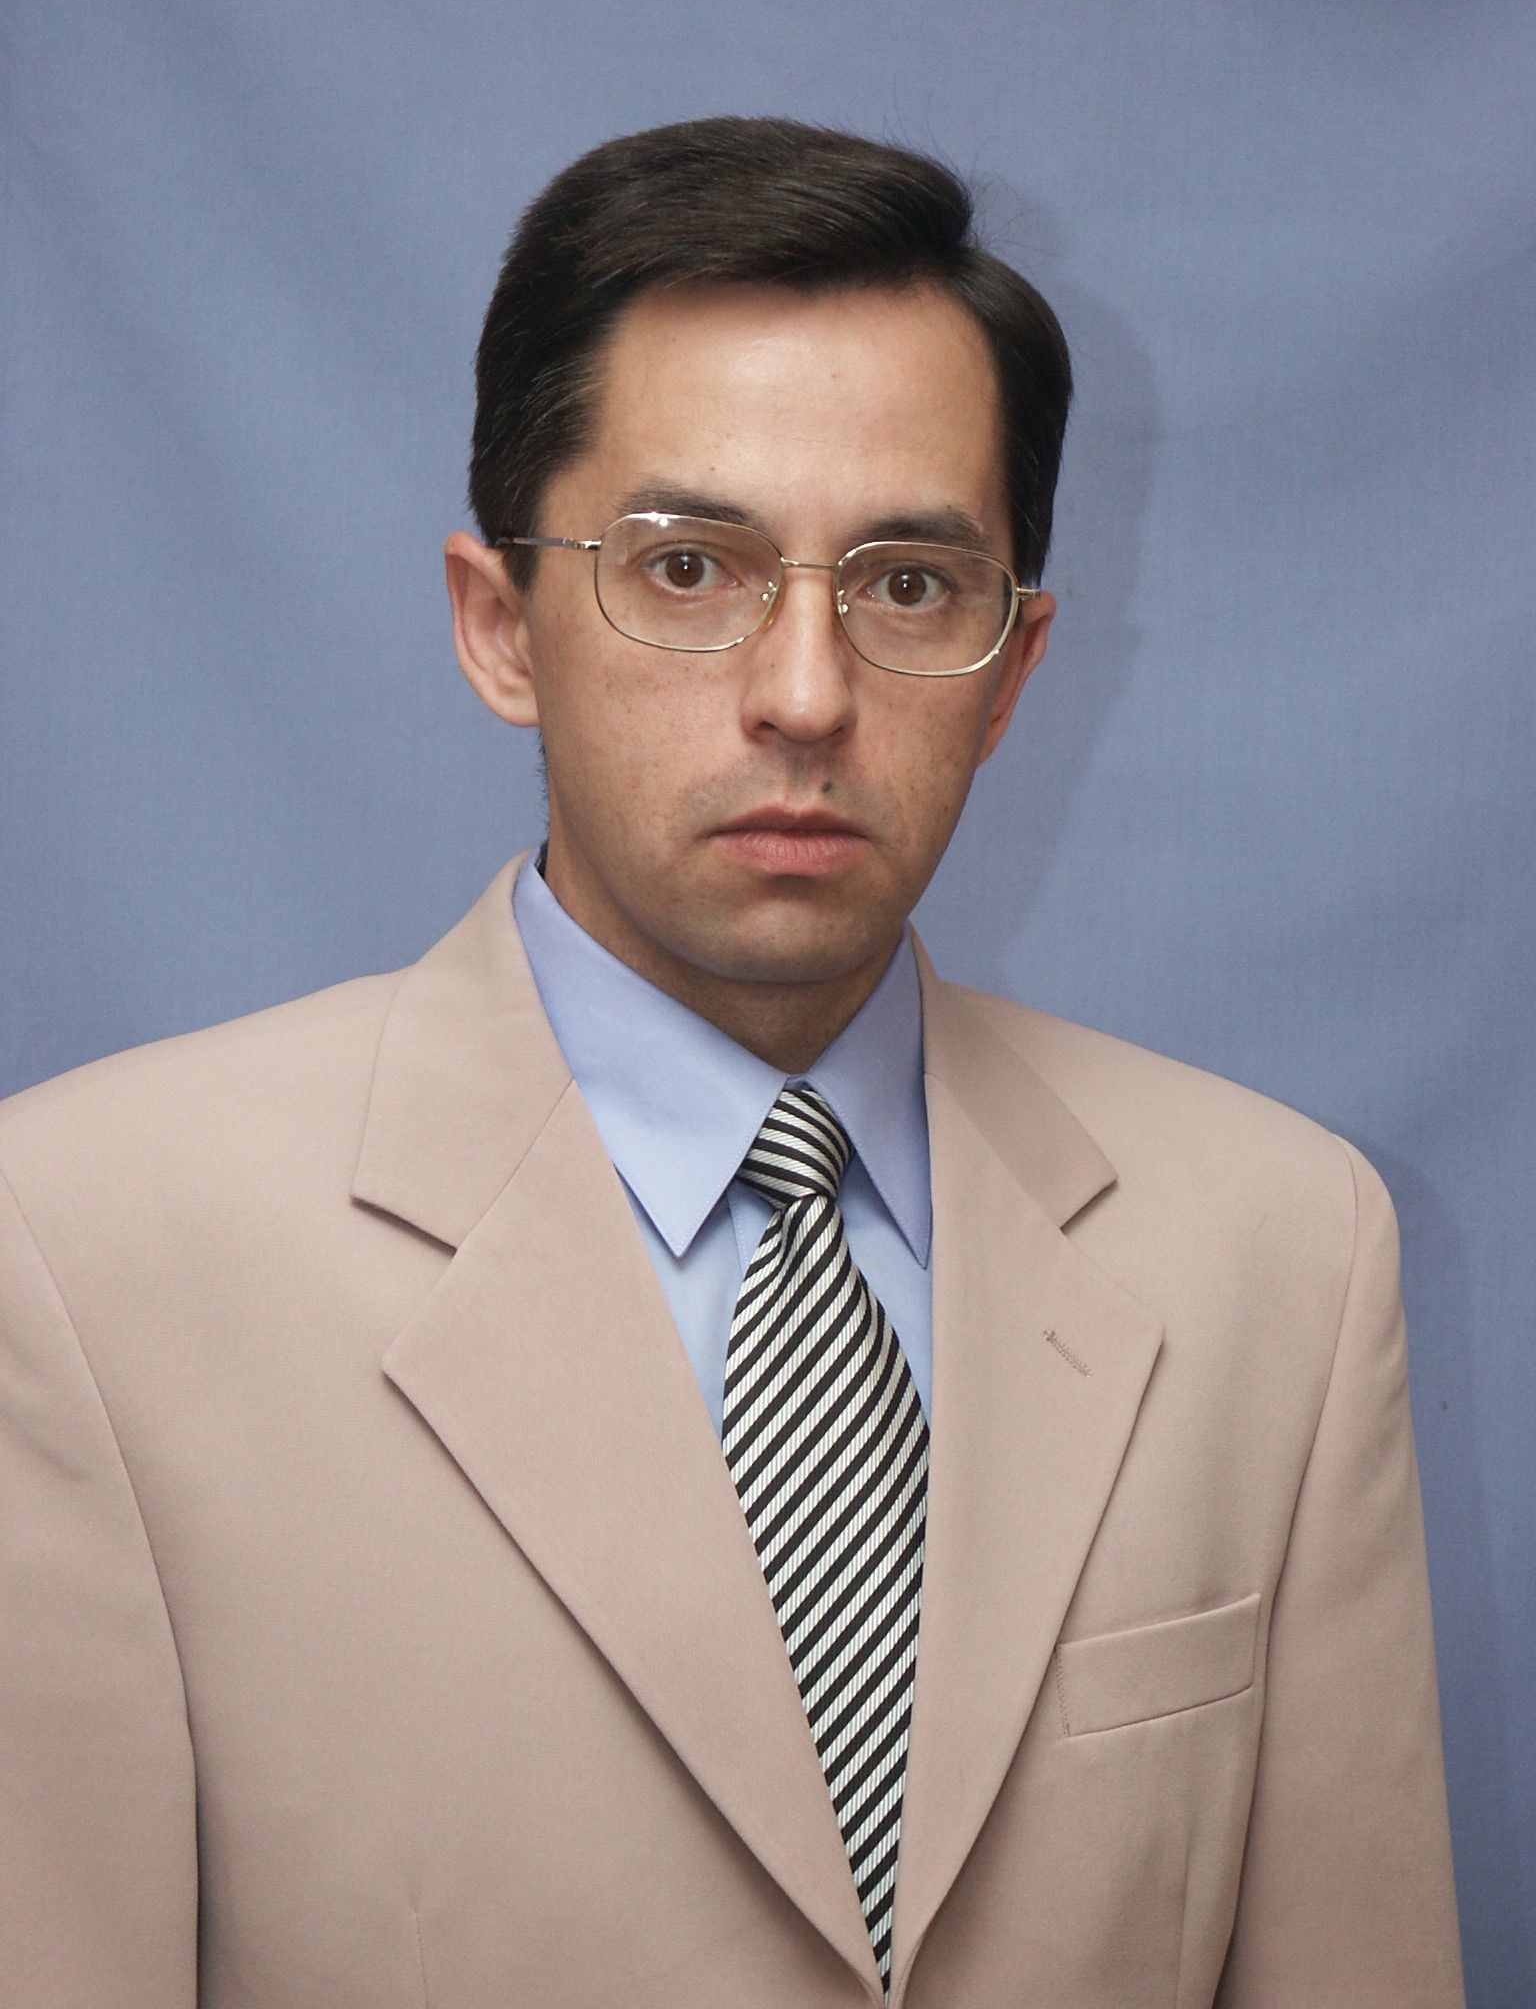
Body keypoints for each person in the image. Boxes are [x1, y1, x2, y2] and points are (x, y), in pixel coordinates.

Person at [0, 117, 1463, 2008]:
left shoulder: (1283, 1251)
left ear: (1015, 672)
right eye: (688, 568)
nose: (804, 693)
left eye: (910, 586)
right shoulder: (82, 1254)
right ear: (498, 628)